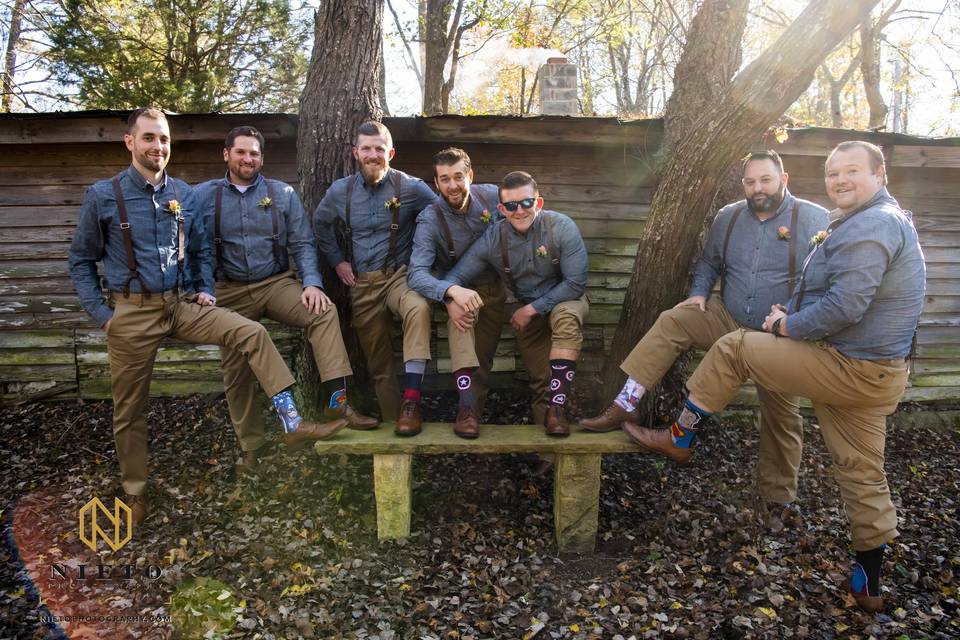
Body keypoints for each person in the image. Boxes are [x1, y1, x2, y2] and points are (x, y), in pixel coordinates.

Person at [624, 141, 926, 612]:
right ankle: (869, 582)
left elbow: (847, 305)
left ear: (880, 173)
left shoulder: (873, 226)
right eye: (832, 173)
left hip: (848, 364)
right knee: (862, 472)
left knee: (736, 346)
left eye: (851, 171)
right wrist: (796, 310)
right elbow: (837, 289)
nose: (840, 180)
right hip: (879, 372)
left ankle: (680, 437)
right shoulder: (867, 221)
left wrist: (787, 324)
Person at [69, 108, 347, 526]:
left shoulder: (181, 192)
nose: (157, 147)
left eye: (162, 139)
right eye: (148, 138)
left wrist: (203, 288)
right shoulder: (104, 195)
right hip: (129, 312)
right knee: (130, 409)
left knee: (250, 332)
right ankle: (135, 490)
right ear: (130, 142)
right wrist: (104, 316)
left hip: (180, 305)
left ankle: (292, 421)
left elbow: (199, 249)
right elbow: (80, 261)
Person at [579, 150, 829, 524]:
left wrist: (794, 315)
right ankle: (625, 403)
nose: (757, 188)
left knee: (782, 416)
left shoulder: (814, 218)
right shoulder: (728, 217)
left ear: (784, 179)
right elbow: (710, 260)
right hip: (727, 316)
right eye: (750, 181)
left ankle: (777, 500)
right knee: (673, 319)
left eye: (765, 180)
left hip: (778, 335)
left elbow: (826, 277)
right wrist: (698, 291)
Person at [193, 126, 377, 475]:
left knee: (323, 312)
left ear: (262, 158)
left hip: (275, 282)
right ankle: (253, 449)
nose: (248, 159)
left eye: (254, 153)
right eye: (241, 152)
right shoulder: (201, 196)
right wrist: (201, 288)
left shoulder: (282, 193)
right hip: (227, 291)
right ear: (226, 154)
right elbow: (192, 248)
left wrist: (311, 283)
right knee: (234, 370)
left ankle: (337, 404)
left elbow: (303, 243)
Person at [441, 171, 589, 436]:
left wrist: (532, 309)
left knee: (565, 315)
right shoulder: (494, 238)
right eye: (511, 205)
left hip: (565, 299)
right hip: (526, 309)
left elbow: (576, 282)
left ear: (538, 203)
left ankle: (557, 411)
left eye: (526, 203)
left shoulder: (561, 226)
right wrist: (450, 296)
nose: (519, 210)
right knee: (541, 378)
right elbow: (456, 275)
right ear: (501, 208)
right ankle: (545, 454)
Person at [313, 121, 437, 435]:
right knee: (378, 363)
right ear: (356, 153)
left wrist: (423, 258)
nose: (373, 155)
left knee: (417, 308)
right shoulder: (341, 191)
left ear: (390, 152)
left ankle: (411, 401)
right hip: (362, 284)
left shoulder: (410, 187)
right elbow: (320, 225)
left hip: (399, 277)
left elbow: (441, 216)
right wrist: (337, 261)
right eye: (366, 149)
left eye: (379, 149)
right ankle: (398, 426)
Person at [407, 148, 506, 438]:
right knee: (461, 323)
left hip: (492, 291)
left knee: (483, 362)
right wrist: (449, 293)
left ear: (470, 176)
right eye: (445, 179)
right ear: (436, 183)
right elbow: (416, 273)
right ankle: (465, 411)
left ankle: (473, 417)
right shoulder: (430, 218)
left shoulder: (493, 197)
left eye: (458, 177)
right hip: (456, 290)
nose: (452, 185)